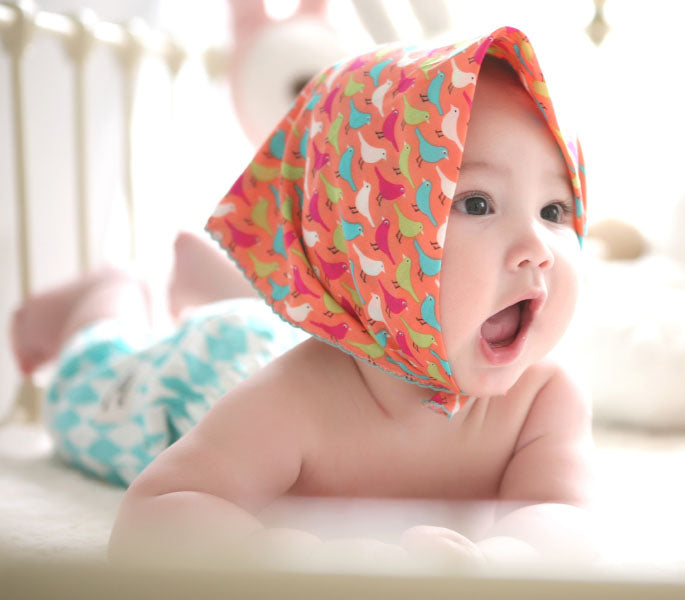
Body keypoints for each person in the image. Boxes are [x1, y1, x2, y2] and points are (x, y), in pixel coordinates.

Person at [12, 26, 592, 566]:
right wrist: (307, 559)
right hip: (206, 368)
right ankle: (108, 294)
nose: (537, 247)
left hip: (327, 326)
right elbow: (150, 515)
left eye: (554, 210)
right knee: (90, 376)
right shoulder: (297, 400)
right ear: (371, 238)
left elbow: (561, 514)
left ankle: (213, 281)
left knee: (283, 317)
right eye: (477, 203)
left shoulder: (544, 397)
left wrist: (504, 560)